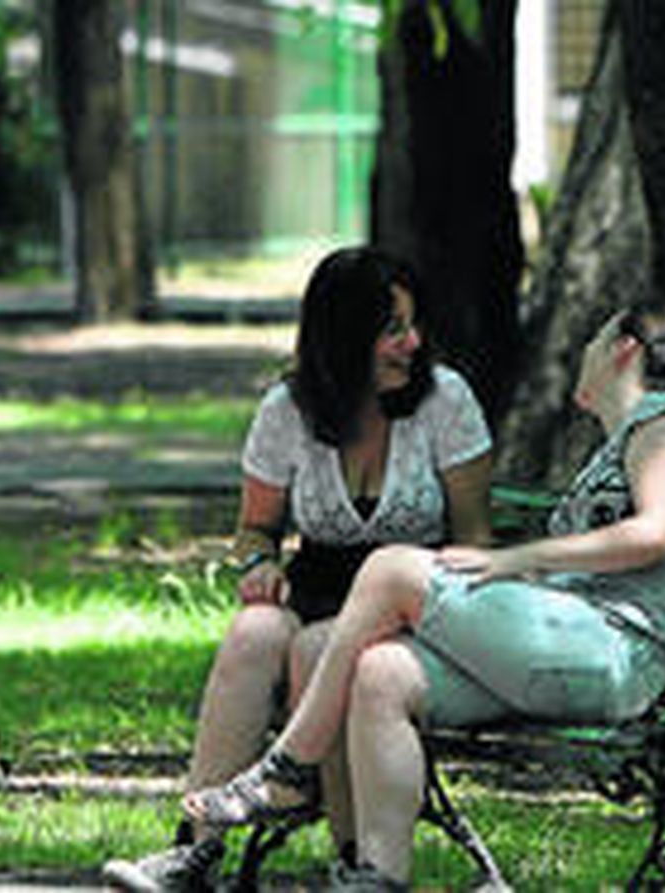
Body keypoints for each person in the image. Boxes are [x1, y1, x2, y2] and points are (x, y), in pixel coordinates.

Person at [182, 303, 665, 890]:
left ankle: (289, 767)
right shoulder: (625, 438)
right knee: (381, 672)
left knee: (390, 569)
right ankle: (378, 876)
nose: (583, 351)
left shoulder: (663, 420)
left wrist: (518, 559)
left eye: (595, 338)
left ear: (625, 350)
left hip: (617, 653)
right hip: (572, 646)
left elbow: (656, 532)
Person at [102, 246, 497, 892]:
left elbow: (476, 538)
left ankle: (353, 858)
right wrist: (259, 564)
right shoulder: (287, 411)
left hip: (414, 610)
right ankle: (191, 851)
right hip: (315, 588)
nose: (413, 342)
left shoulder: (445, 401)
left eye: (414, 324)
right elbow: (255, 529)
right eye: (393, 328)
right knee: (254, 631)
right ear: (344, 335)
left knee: (319, 647)